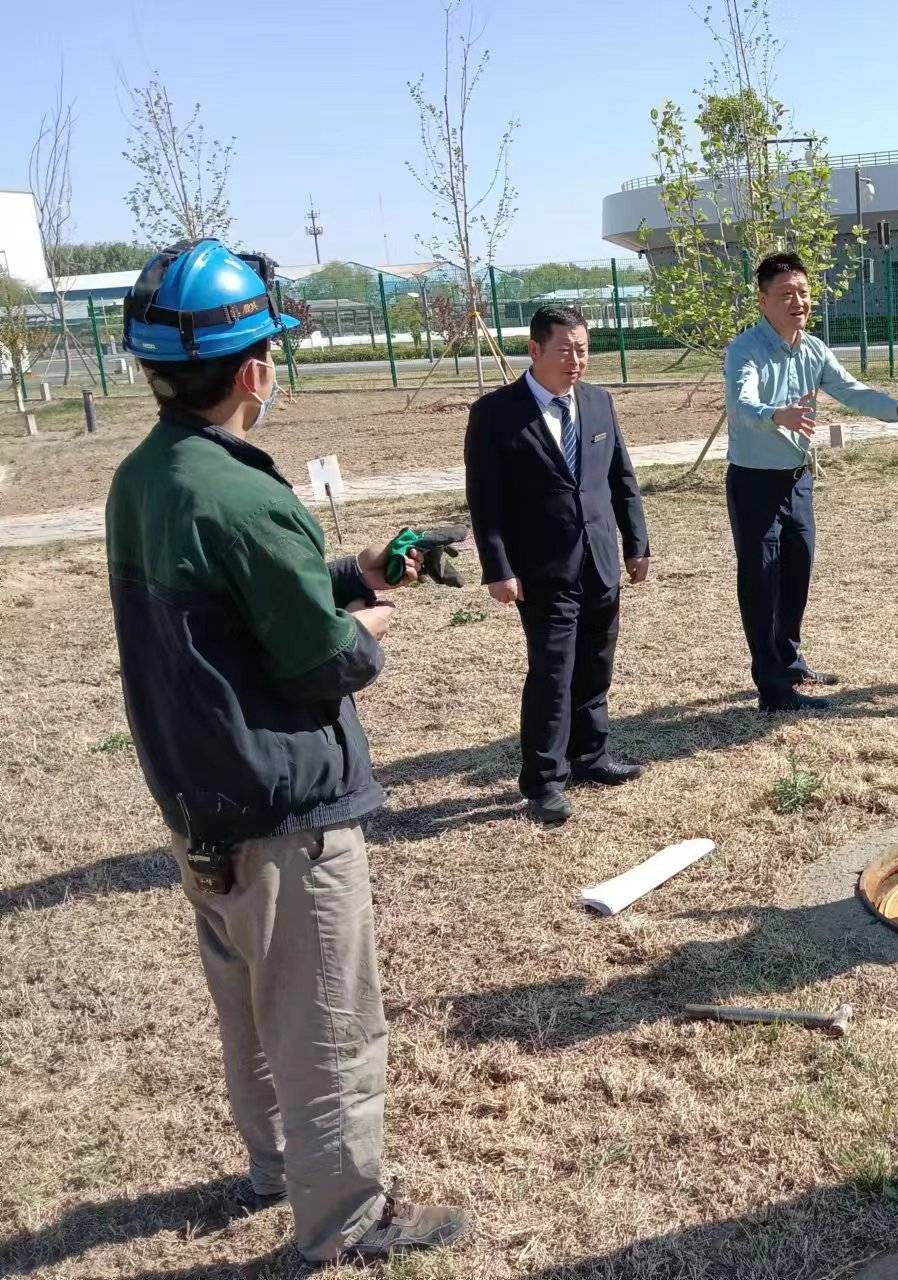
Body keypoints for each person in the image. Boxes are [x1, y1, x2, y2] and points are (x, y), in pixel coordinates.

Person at [105, 239, 469, 1263]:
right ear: (255, 369)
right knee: (328, 1029)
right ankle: (346, 1219)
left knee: (251, 1011)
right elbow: (316, 658)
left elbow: (236, 611)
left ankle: (272, 1165)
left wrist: (359, 566)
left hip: (202, 808)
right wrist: (368, 628)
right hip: (285, 820)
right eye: (272, 347)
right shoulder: (243, 492)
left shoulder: (145, 479)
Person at [724, 251, 898, 712]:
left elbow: (852, 390)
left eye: (803, 292)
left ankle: (790, 659)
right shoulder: (746, 350)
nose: (797, 301)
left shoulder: (814, 349)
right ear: (763, 301)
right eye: (786, 294)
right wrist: (775, 414)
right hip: (754, 484)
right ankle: (773, 689)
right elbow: (740, 405)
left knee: (797, 572)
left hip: (797, 481)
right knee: (761, 583)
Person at [464, 305, 651, 824]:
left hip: (600, 560)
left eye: (584, 349)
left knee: (596, 662)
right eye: (566, 350)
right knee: (552, 672)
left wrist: (637, 544)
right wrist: (497, 568)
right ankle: (544, 780)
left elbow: (622, 479)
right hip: (541, 570)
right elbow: (486, 500)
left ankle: (591, 755)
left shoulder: (598, 402)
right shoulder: (496, 413)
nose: (577, 361)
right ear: (535, 350)